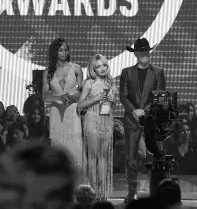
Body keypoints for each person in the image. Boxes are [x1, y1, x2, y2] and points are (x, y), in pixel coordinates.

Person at [119, 38, 166, 202]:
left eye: (147, 51)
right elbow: (123, 96)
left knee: (153, 157)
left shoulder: (158, 72)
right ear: (136, 54)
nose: (145, 55)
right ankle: (132, 191)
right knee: (131, 159)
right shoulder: (126, 72)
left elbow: (160, 96)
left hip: (150, 120)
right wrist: (135, 111)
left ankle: (154, 191)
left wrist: (144, 111)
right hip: (132, 120)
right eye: (142, 52)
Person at [78, 54, 117, 200]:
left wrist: (113, 101)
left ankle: (102, 193)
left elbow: (111, 106)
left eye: (104, 65)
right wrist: (95, 98)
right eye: (98, 66)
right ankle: (92, 192)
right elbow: (80, 105)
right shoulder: (89, 83)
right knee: (93, 157)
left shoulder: (111, 83)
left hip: (106, 121)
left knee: (104, 158)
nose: (102, 68)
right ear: (93, 69)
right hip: (92, 120)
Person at [42, 37, 84, 169]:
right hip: (55, 111)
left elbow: (83, 92)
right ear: (54, 52)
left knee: (75, 142)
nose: (65, 53)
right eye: (61, 50)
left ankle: (76, 178)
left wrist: (71, 98)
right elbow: (45, 96)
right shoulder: (48, 72)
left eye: (66, 50)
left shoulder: (76, 68)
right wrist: (58, 97)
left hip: (72, 110)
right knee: (58, 143)